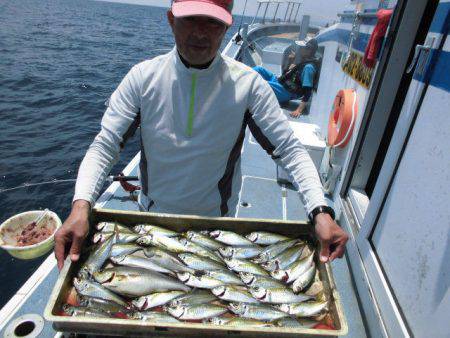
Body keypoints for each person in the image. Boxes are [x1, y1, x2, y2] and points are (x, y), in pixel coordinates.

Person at [54, 0, 348, 271]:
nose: (200, 33)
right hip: (152, 221)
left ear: (227, 26)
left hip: (218, 227)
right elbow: (105, 146)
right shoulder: (142, 78)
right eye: (190, 19)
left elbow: (290, 150)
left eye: (213, 23)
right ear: (171, 19)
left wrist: (320, 211)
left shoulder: (248, 86)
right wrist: (81, 205)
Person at [253, 39, 319, 118]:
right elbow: (287, 74)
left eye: (302, 47)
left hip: (287, 92)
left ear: (309, 50)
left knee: (260, 83)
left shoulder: (309, 68)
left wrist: (299, 110)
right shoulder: (304, 61)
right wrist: (291, 60)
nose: (300, 49)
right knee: (259, 69)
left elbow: (308, 90)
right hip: (283, 83)